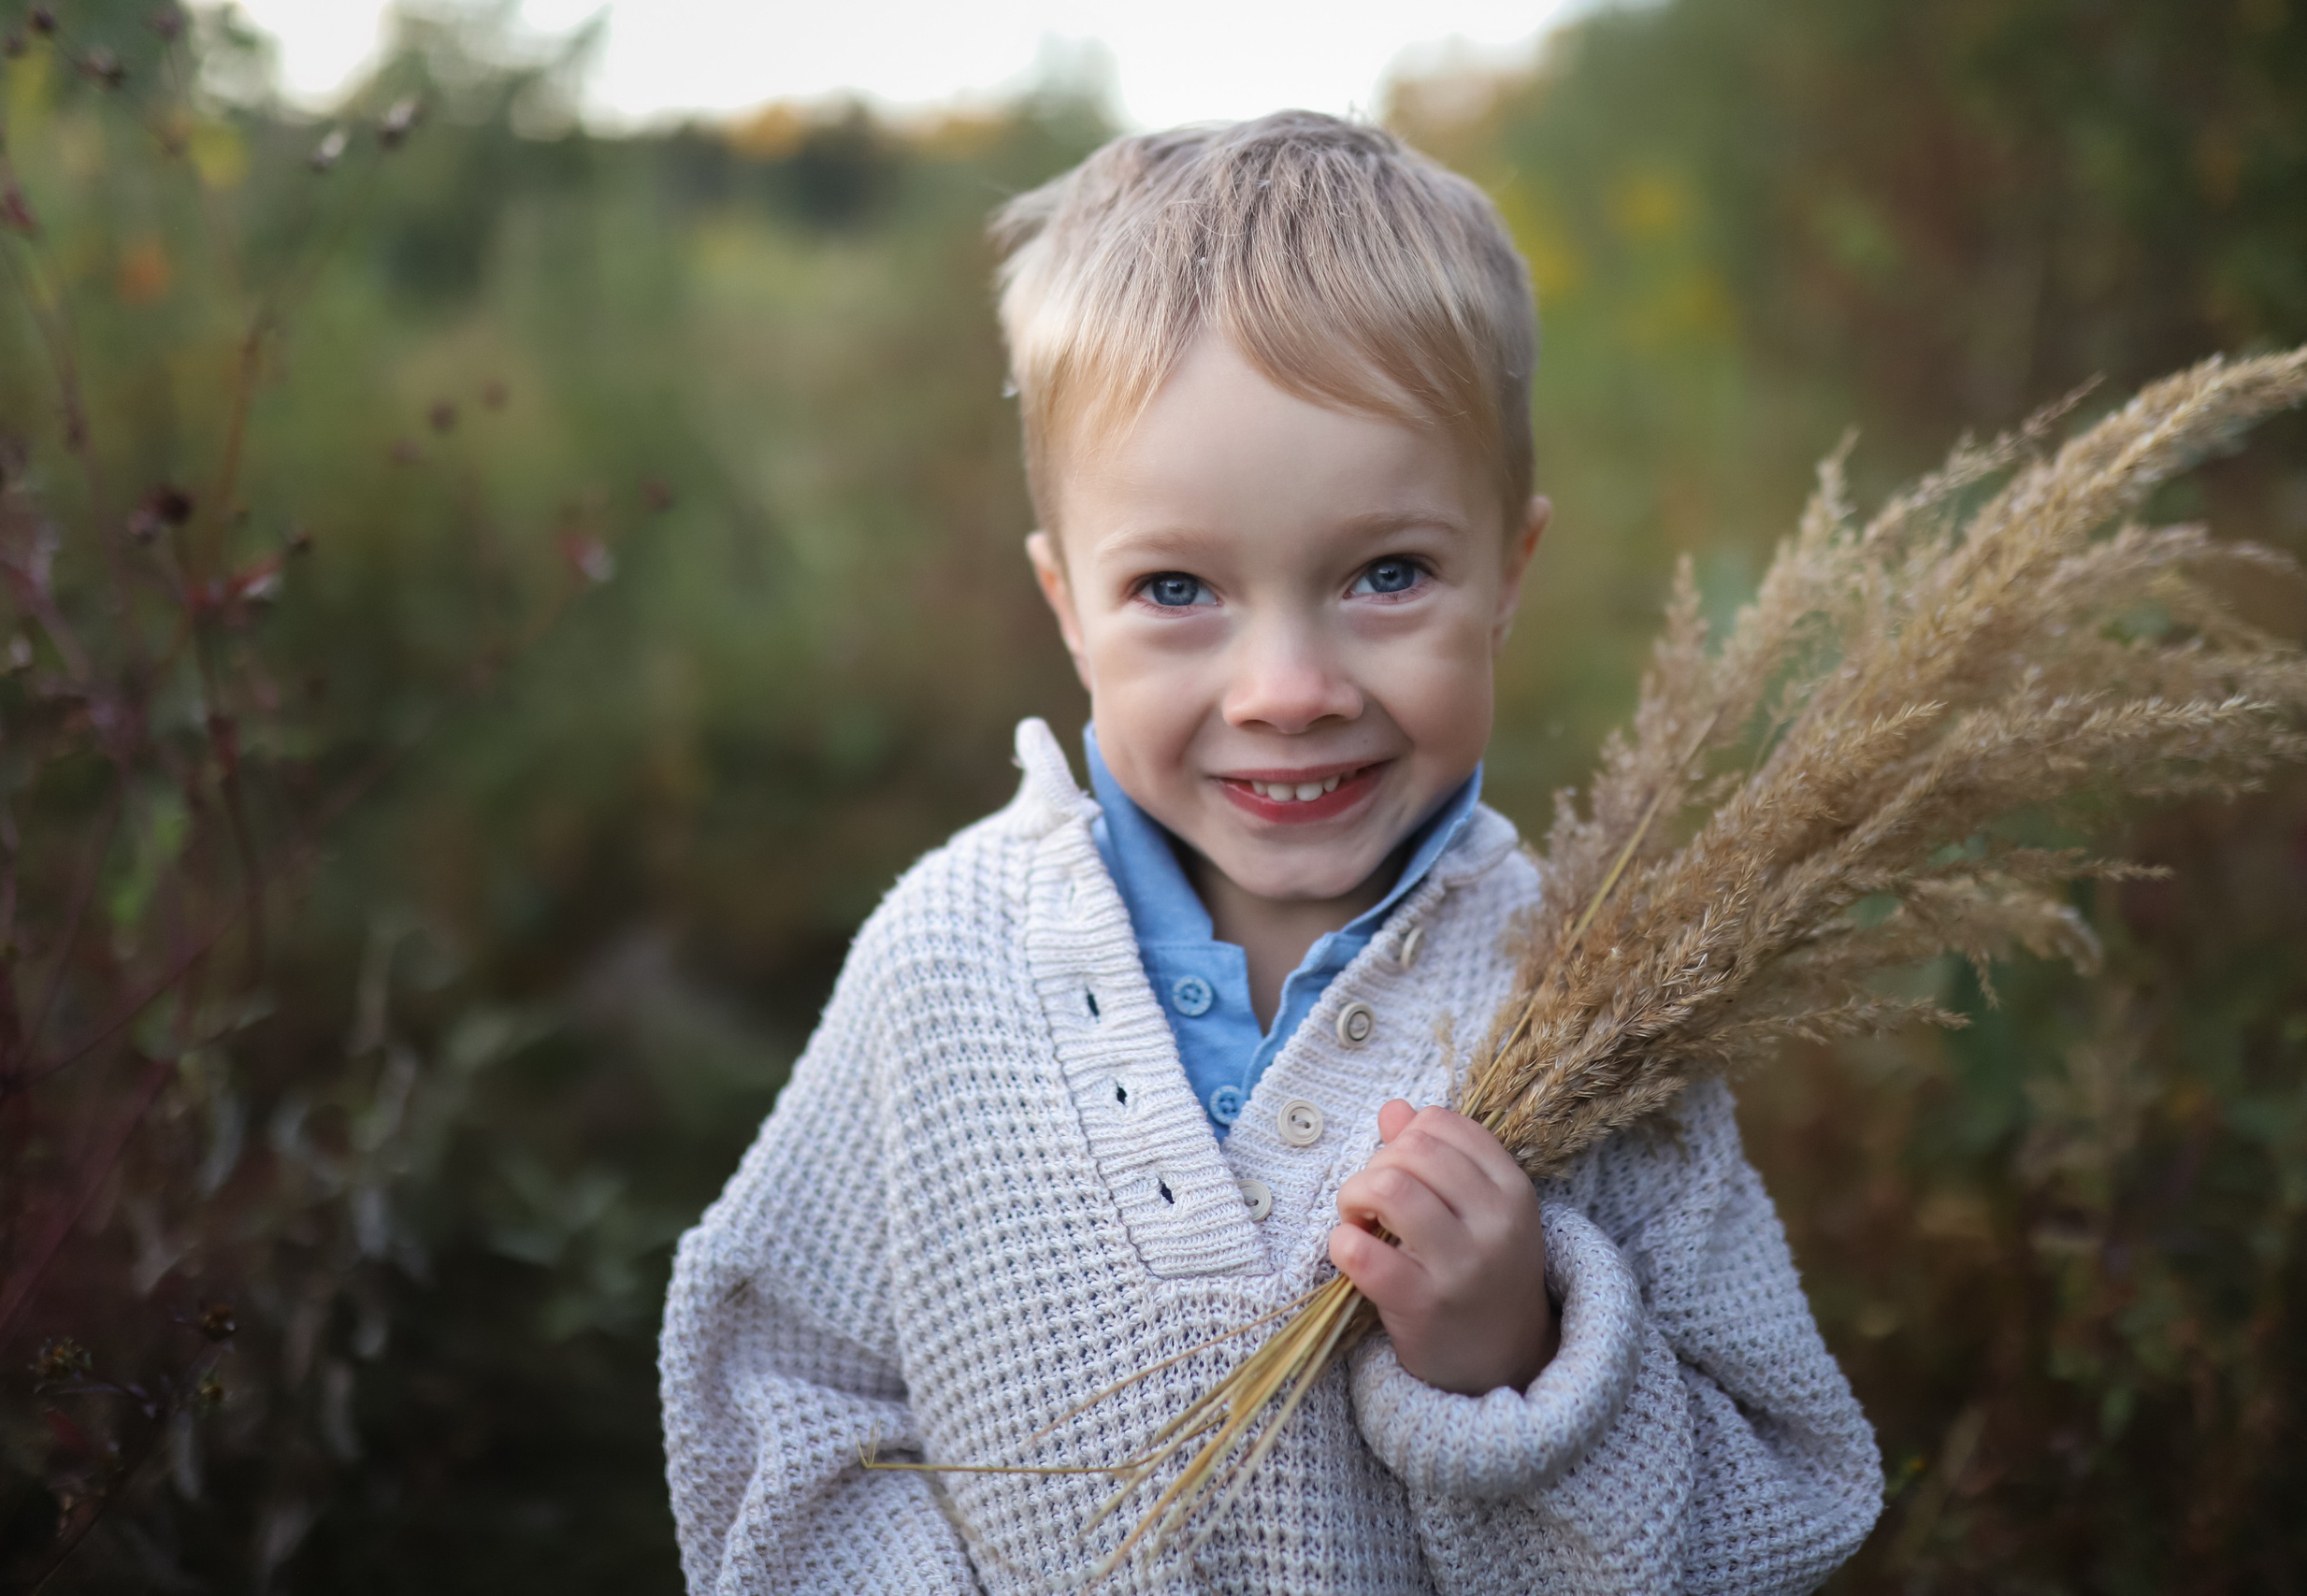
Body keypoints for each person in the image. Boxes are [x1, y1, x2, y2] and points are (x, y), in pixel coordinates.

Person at [658, 111, 1881, 1593]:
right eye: (1178, 587)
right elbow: (787, 1398)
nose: (1288, 690)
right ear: (1065, 603)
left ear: (1509, 577)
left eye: (1387, 574)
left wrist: (1526, 1366)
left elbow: (1783, 1513)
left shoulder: (1591, 1006)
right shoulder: (947, 960)